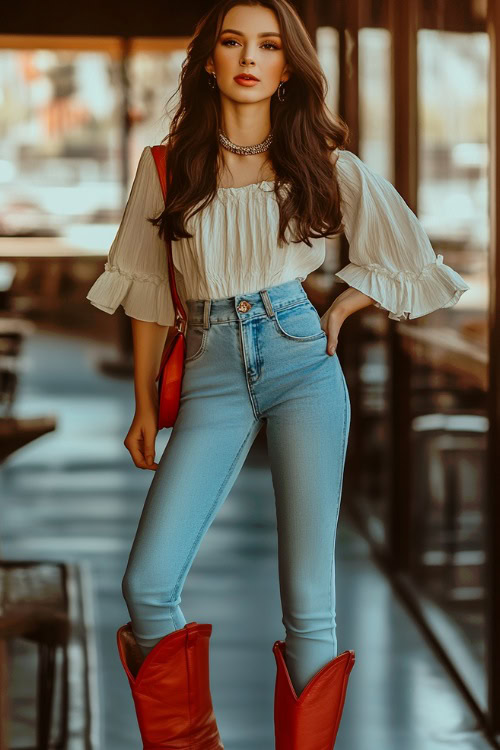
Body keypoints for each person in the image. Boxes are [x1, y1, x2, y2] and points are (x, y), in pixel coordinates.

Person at [86, 1, 470, 748]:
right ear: (209, 60)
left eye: (268, 45)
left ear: (288, 67)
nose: (249, 57)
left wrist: (342, 309)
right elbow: (144, 294)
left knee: (309, 604)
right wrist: (142, 405)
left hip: (301, 361)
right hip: (209, 367)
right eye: (233, 42)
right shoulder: (167, 166)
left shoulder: (322, 164)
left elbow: (412, 254)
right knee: (147, 584)